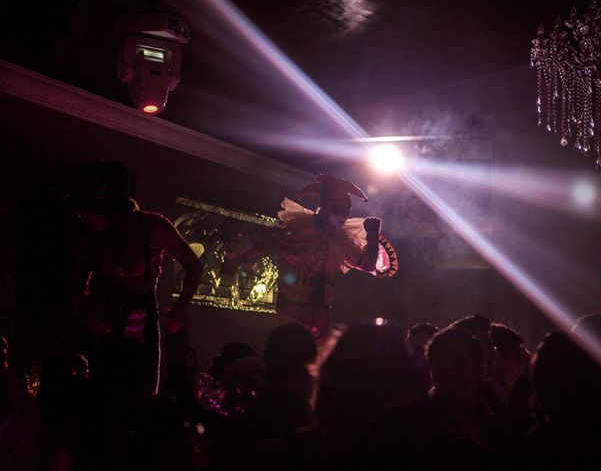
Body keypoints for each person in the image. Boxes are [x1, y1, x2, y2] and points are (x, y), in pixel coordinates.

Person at [71, 161, 203, 394]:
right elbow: (77, 284)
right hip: (104, 319)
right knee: (100, 390)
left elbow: (194, 266)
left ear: (107, 207)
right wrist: (88, 314)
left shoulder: (154, 226)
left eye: (88, 210)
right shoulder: (91, 235)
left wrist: (180, 308)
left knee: (143, 390)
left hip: (142, 321)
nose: (85, 216)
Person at [225, 174, 398, 341]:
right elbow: (265, 244)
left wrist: (373, 237)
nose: (344, 215)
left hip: (322, 310)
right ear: (324, 206)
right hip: (291, 307)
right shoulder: (299, 228)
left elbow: (368, 265)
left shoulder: (341, 239)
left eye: (347, 210)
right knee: (293, 352)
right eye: (338, 208)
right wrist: (236, 261)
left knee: (314, 358)